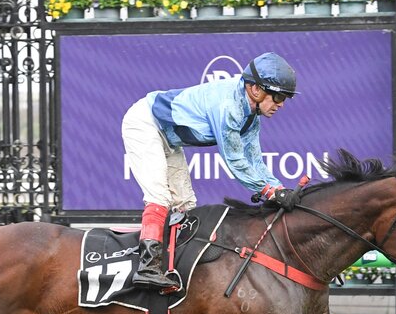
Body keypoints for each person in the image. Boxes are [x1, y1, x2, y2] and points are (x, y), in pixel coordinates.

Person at [122, 52, 298, 291]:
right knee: (159, 197)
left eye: (285, 98)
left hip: (167, 137)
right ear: (255, 89)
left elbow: (255, 161)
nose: (281, 104)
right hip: (144, 124)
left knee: (185, 204)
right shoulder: (229, 107)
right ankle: (147, 268)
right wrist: (269, 191)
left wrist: (278, 188)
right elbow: (235, 161)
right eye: (277, 96)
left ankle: (173, 266)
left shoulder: (251, 116)